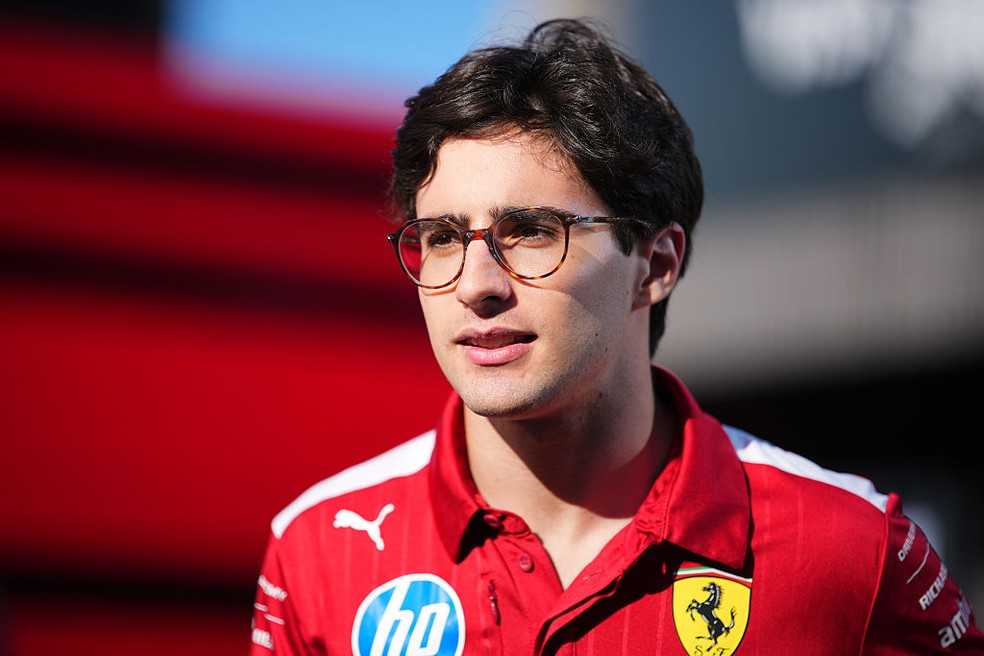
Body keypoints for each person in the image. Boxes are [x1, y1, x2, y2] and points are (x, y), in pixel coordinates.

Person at [249, 18, 983, 655]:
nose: (476, 283)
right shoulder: (319, 548)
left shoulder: (849, 548)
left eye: (531, 231)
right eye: (442, 237)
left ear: (655, 264)